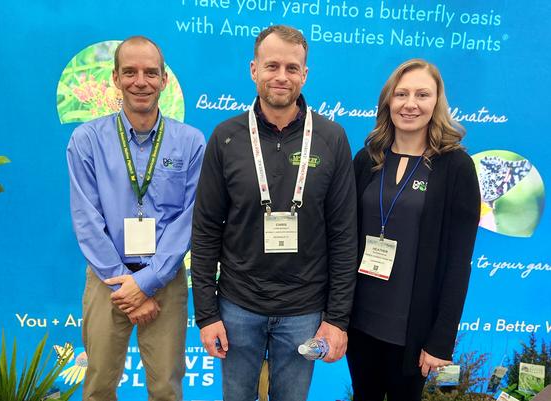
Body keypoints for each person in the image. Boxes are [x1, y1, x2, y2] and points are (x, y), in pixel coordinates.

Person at [190, 25, 357, 401]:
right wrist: (207, 314)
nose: (282, 77)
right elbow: (204, 231)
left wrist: (336, 319)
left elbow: (345, 236)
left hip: (304, 312)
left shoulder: (332, 138)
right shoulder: (226, 137)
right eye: (272, 66)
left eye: (292, 68)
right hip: (237, 308)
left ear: (305, 74)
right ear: (254, 69)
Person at [67, 36, 205, 401]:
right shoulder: (86, 140)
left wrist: (148, 281)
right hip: (106, 279)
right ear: (115, 77)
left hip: (166, 278)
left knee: (166, 388)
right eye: (130, 72)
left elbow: (188, 218)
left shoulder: (190, 142)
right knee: (97, 386)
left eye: (150, 72)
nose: (139, 81)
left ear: (163, 80)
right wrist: (126, 286)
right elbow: (86, 217)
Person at [347, 58, 481, 401]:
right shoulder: (367, 159)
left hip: (412, 332)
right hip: (360, 324)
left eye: (422, 94)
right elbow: (344, 240)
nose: (410, 104)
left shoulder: (456, 167)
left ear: (437, 102)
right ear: (388, 100)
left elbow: (458, 262)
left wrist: (440, 340)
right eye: (401, 94)